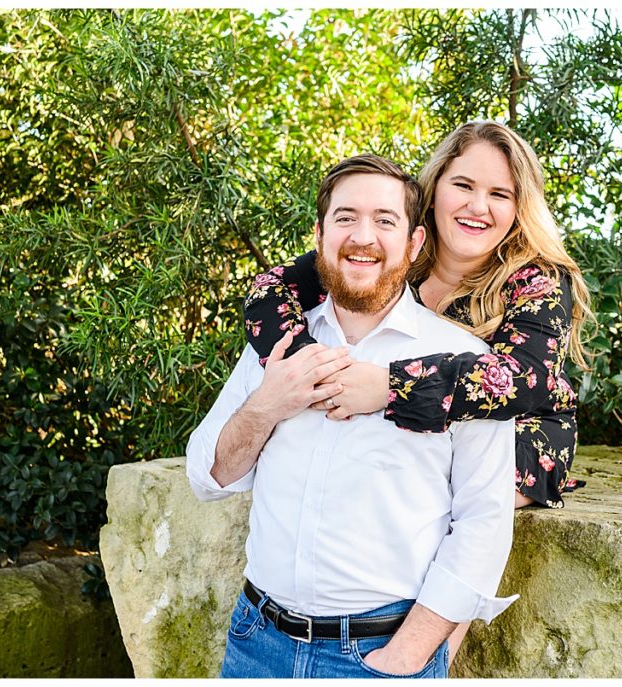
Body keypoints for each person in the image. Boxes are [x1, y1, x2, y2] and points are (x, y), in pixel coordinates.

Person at [242, 120, 594, 661]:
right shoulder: (397, 252)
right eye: (464, 185)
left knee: (466, 506)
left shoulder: (535, 279)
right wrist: (308, 369)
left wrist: (387, 386)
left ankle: (427, 655)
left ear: (519, 207)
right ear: (435, 189)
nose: (478, 206)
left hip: (524, 431)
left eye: (499, 194)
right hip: (404, 426)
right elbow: (270, 289)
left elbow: (521, 381)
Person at [187, 154, 517, 679]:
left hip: (377, 655)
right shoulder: (275, 346)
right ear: (319, 235)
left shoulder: (465, 363)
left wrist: (406, 655)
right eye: (345, 218)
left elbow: (485, 521)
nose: (363, 236)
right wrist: (270, 402)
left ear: (413, 244)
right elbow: (209, 477)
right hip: (256, 643)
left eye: (385, 221)